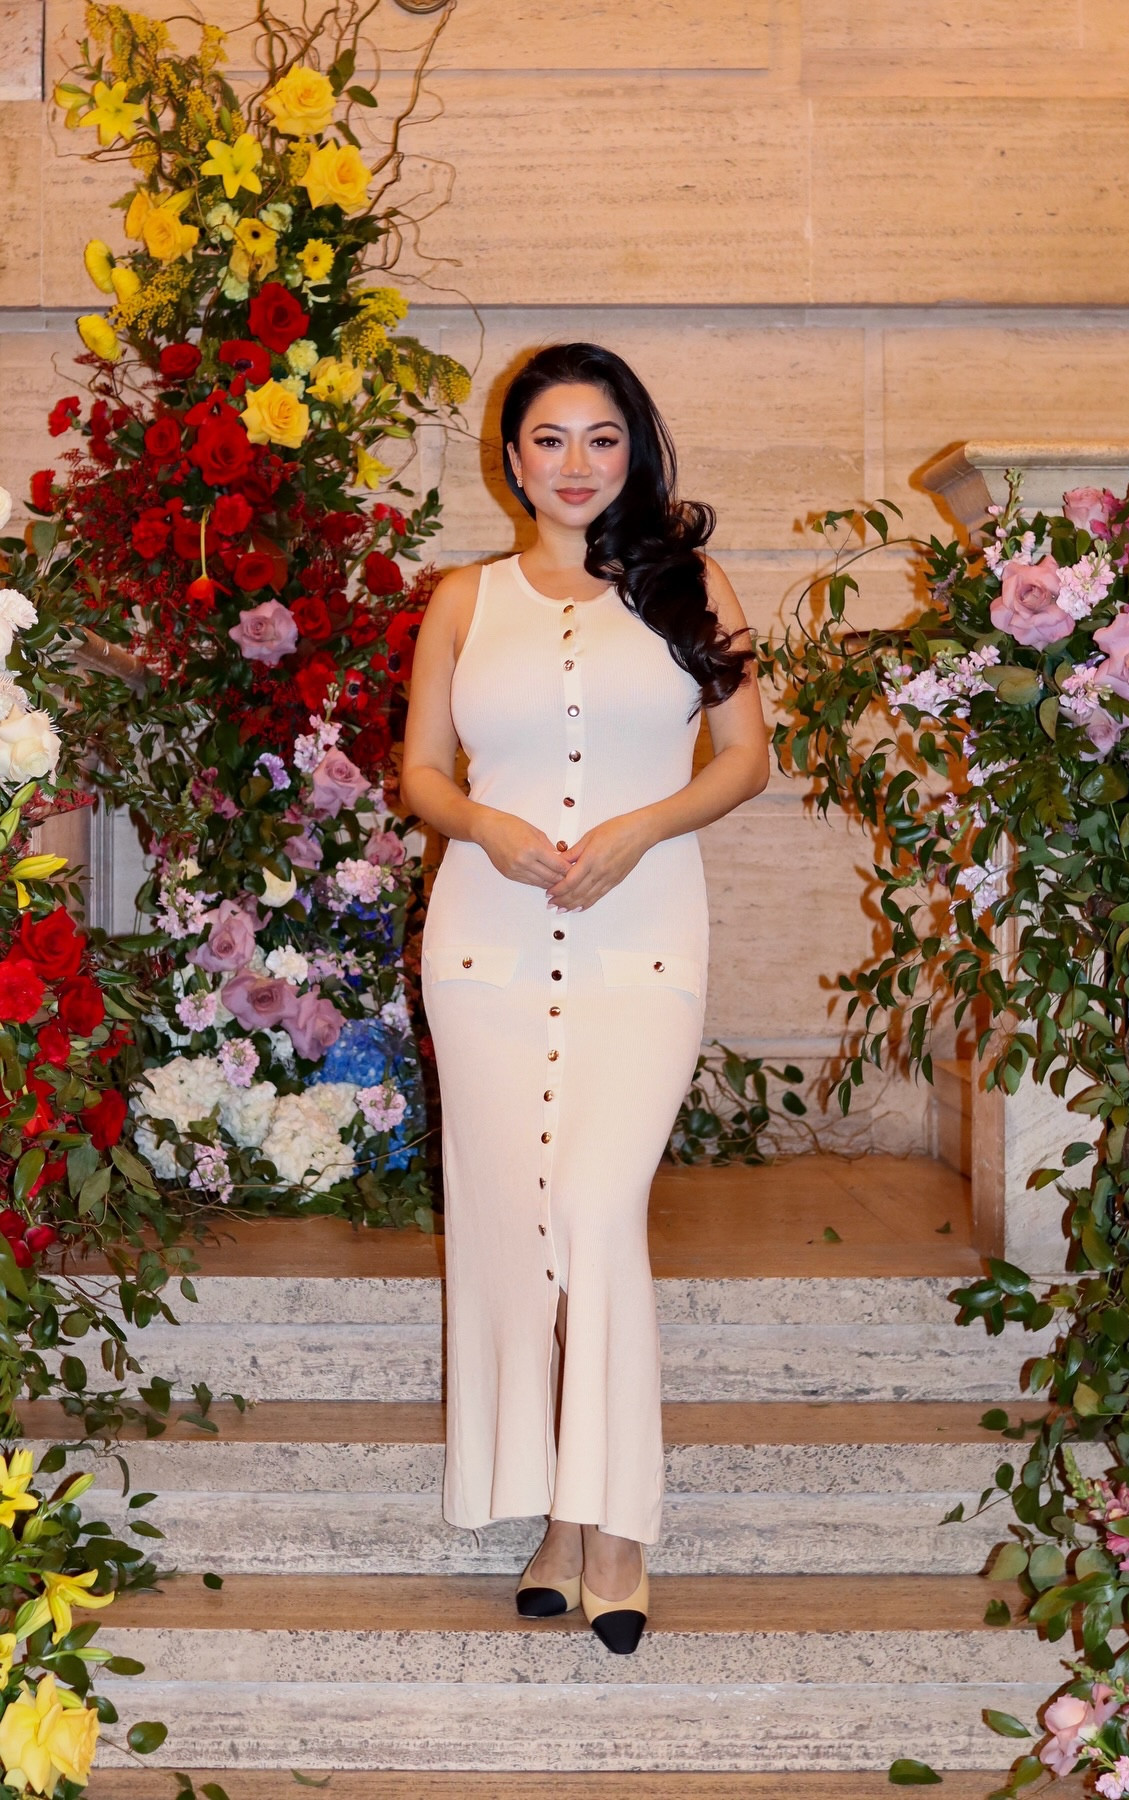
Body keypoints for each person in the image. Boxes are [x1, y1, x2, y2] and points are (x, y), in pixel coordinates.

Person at [401, 342, 769, 1653]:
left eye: (602, 438)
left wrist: (640, 829)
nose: (576, 464)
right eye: (550, 439)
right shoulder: (464, 597)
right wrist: (487, 828)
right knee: (518, 1227)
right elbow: (424, 775)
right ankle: (561, 1519)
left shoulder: (690, 584)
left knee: (600, 1209)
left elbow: (746, 757)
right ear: (511, 459)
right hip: (484, 948)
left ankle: (619, 1530)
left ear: (638, 449)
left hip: (643, 942)